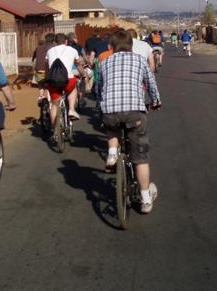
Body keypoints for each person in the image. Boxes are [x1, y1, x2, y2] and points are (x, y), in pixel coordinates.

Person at [97, 30, 162, 214]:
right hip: (135, 113)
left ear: (112, 47)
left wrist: (101, 107)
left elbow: (98, 88)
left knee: (111, 124)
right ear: (131, 46)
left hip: (110, 110)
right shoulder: (140, 60)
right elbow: (151, 83)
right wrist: (156, 101)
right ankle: (146, 199)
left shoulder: (104, 62)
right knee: (140, 158)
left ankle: (111, 154)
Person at [45, 33, 84, 125]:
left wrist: (47, 79)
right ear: (66, 41)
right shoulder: (73, 50)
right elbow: (78, 64)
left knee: (54, 105)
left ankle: (55, 131)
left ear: (55, 42)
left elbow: (47, 67)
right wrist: (84, 74)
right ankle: (71, 109)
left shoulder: (49, 51)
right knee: (73, 88)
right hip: (68, 81)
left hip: (53, 81)